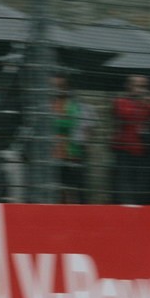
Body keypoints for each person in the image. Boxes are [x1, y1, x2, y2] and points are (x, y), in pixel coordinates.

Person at [110, 75, 150, 204]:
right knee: (124, 182)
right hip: (124, 149)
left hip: (141, 150)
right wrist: (141, 104)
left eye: (143, 86)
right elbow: (124, 114)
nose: (141, 90)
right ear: (129, 87)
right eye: (138, 86)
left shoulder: (146, 103)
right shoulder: (121, 101)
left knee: (141, 183)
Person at [50, 75, 90, 204]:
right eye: (54, 87)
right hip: (55, 154)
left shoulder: (75, 105)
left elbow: (71, 124)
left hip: (71, 153)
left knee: (74, 189)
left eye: (60, 87)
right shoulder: (50, 104)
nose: (57, 90)